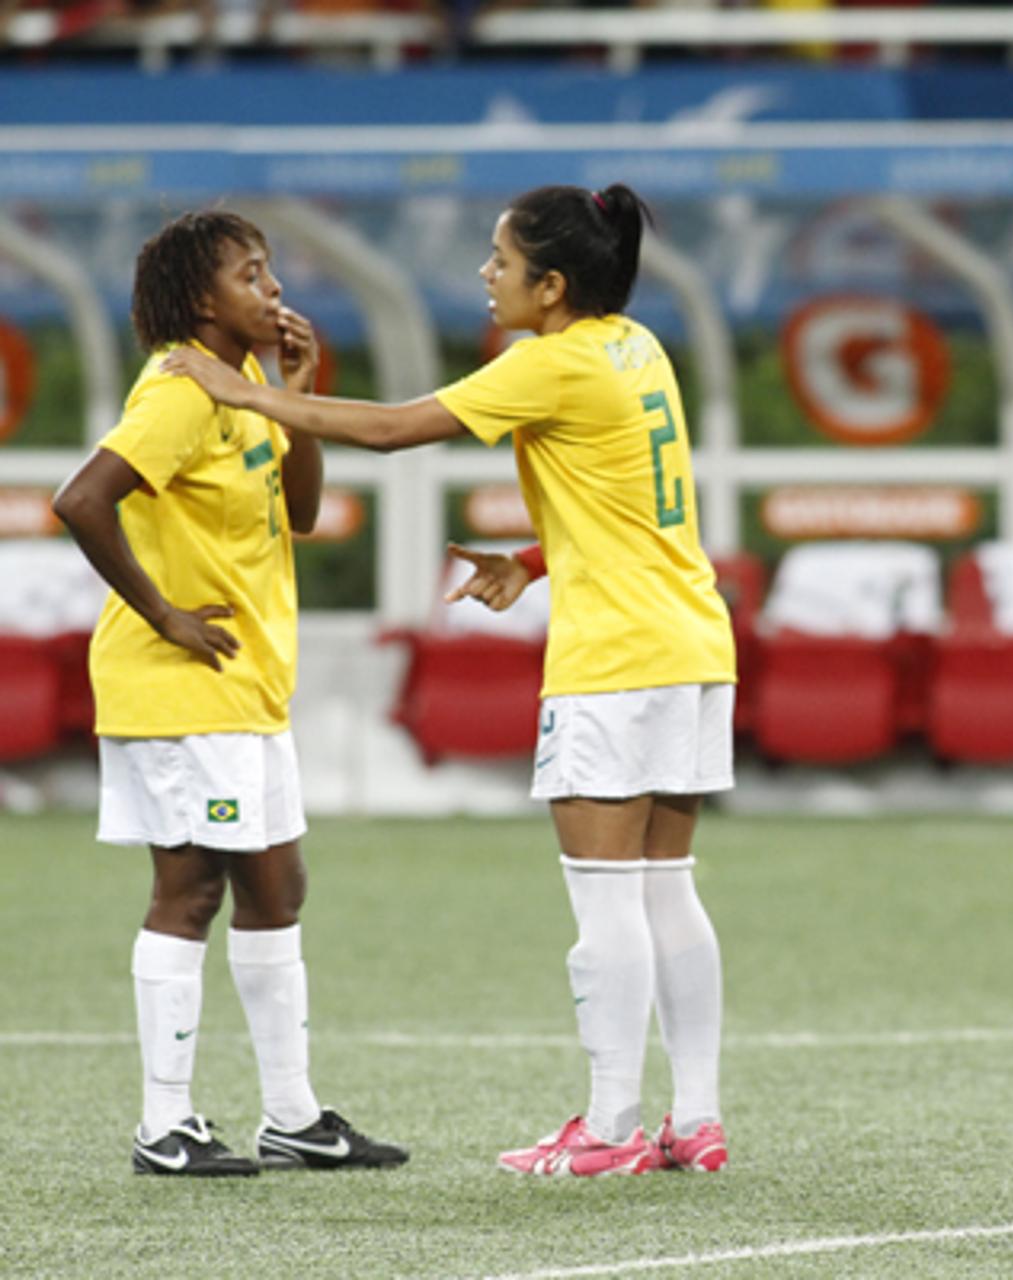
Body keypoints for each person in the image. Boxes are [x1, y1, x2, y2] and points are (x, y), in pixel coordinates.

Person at [164, 183, 736, 1178]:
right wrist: (535, 556)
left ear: (551, 285)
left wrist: (249, 391)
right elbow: (632, 499)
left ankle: (607, 1128)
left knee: (603, 898)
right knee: (666, 886)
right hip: (692, 642)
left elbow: (392, 427)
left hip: (615, 660)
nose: (485, 274)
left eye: (500, 259)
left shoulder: (547, 363)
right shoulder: (634, 346)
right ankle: (696, 1118)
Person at [53, 211, 408, 1177]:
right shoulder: (179, 389)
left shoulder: (244, 380)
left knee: (276, 886)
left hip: (246, 687)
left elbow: (298, 510)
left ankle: (290, 1117)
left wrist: (296, 397)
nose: (274, 290)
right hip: (181, 686)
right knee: (192, 889)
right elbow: (80, 500)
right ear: (202, 300)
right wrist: (164, 613)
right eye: (252, 276)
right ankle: (163, 1127)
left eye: (272, 272)